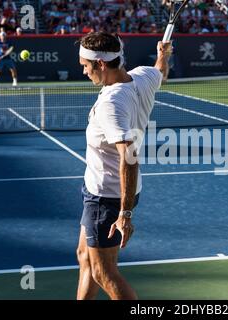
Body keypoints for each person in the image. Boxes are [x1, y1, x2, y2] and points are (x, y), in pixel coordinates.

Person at [76, 32, 171, 300]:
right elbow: (160, 72)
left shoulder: (112, 104)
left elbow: (129, 157)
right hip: (108, 193)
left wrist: (124, 214)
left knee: (103, 272)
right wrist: (163, 55)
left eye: (86, 66)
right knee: (85, 256)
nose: (84, 72)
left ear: (101, 64)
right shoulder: (143, 76)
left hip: (106, 198)